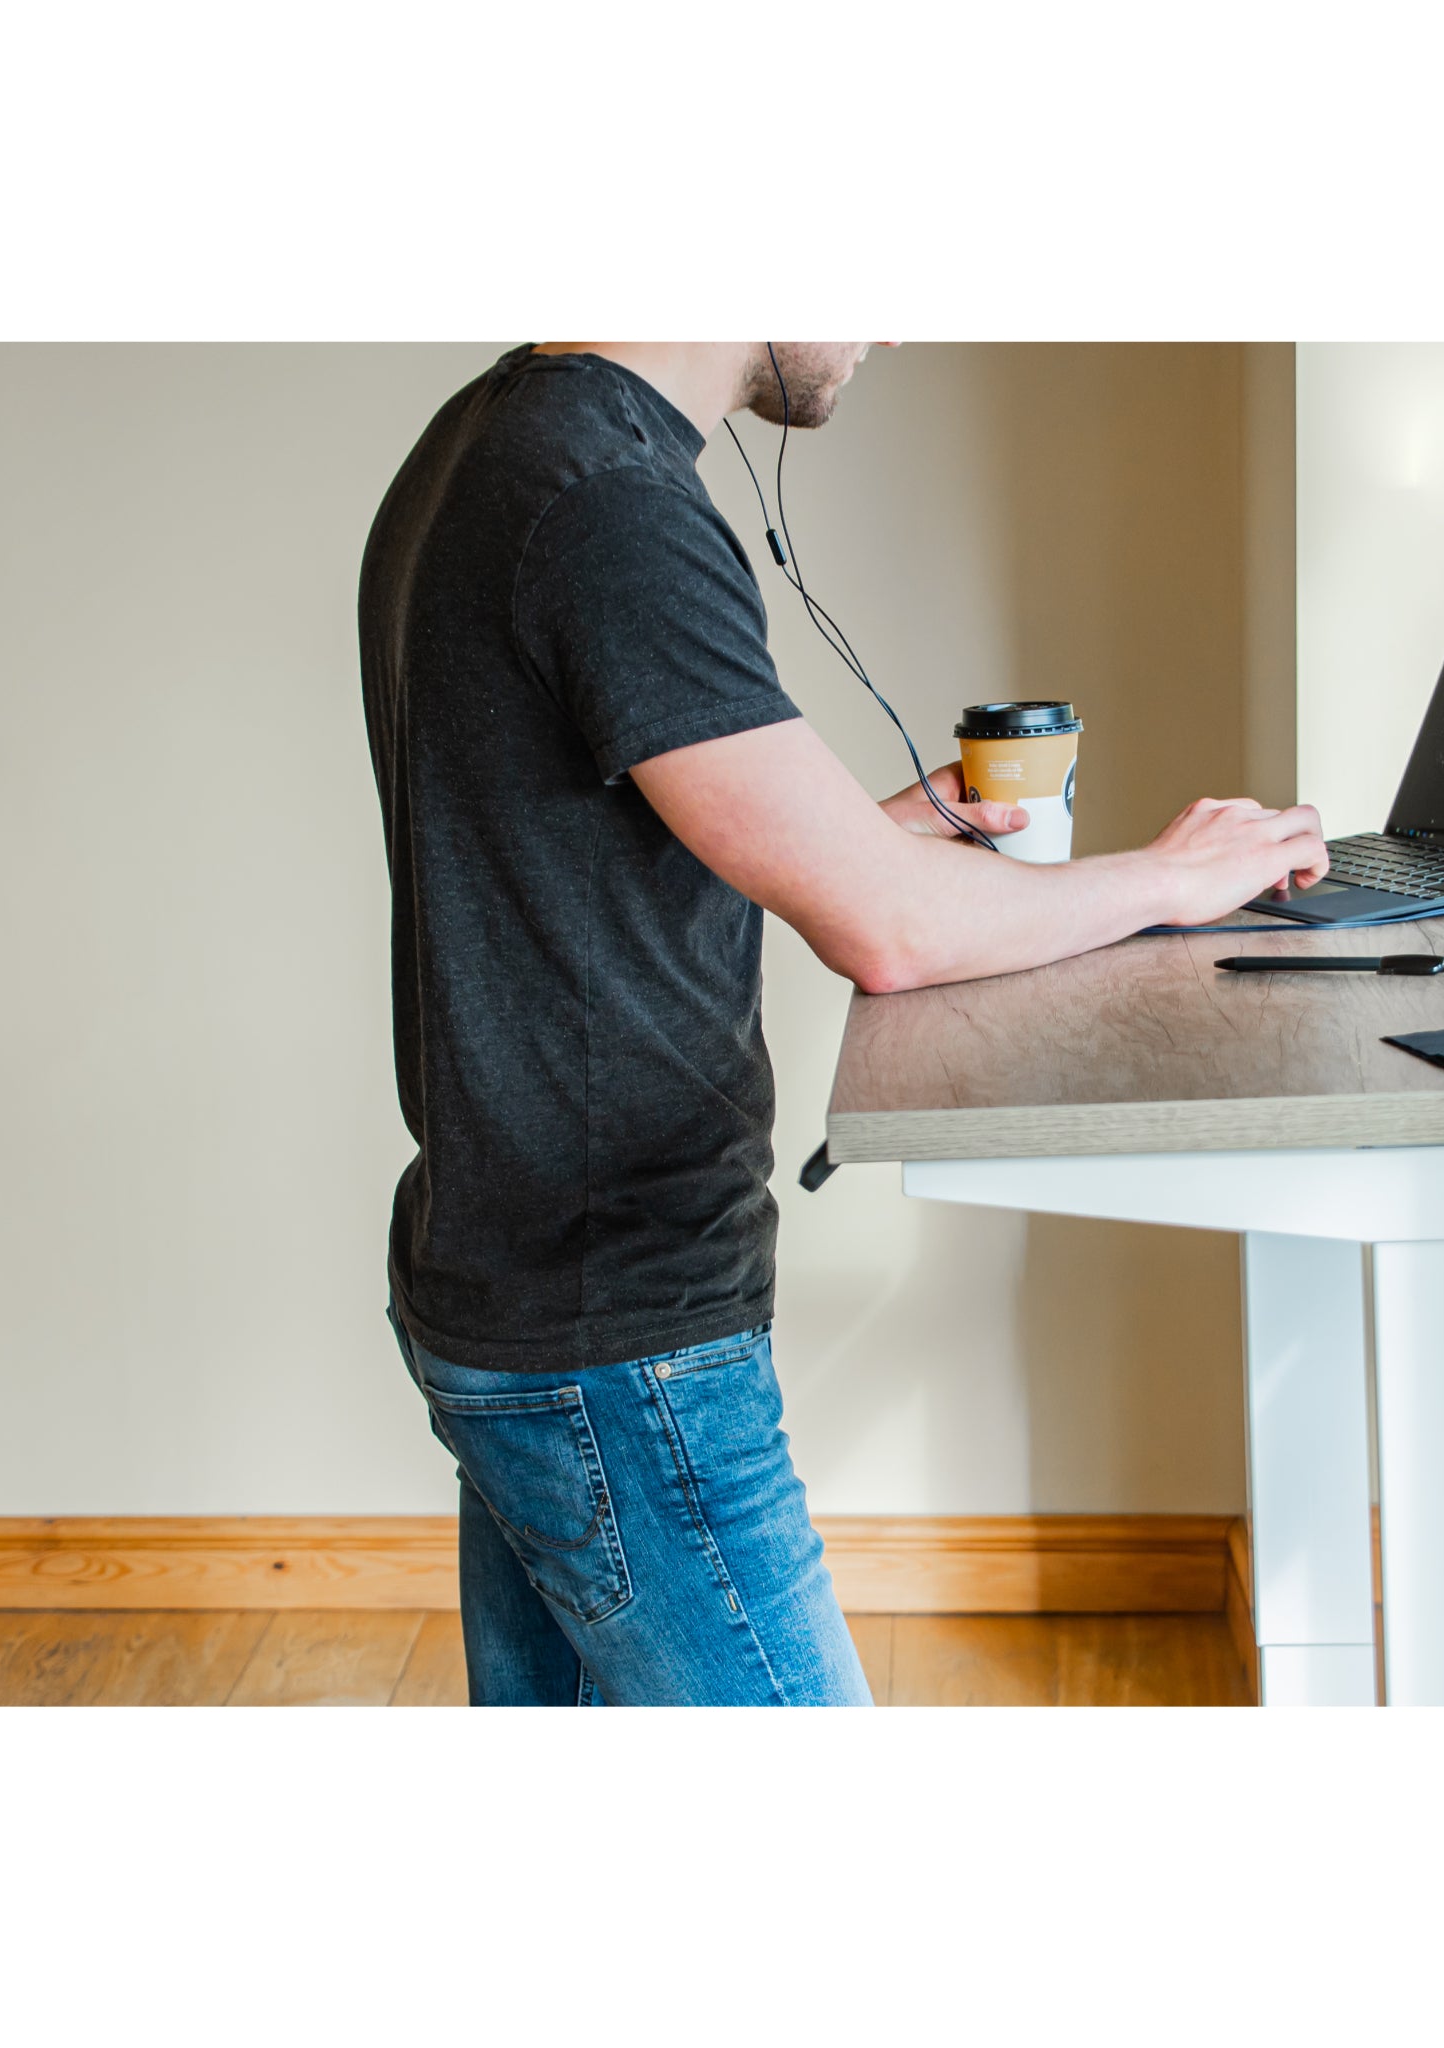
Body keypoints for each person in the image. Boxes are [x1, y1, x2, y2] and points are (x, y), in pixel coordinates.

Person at [358, 342, 1328, 1706]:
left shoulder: (499, 438)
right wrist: (1177, 877)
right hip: (612, 1334)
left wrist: (869, 836)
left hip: (518, 1291)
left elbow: (621, 862)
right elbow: (890, 930)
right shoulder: (605, 501)